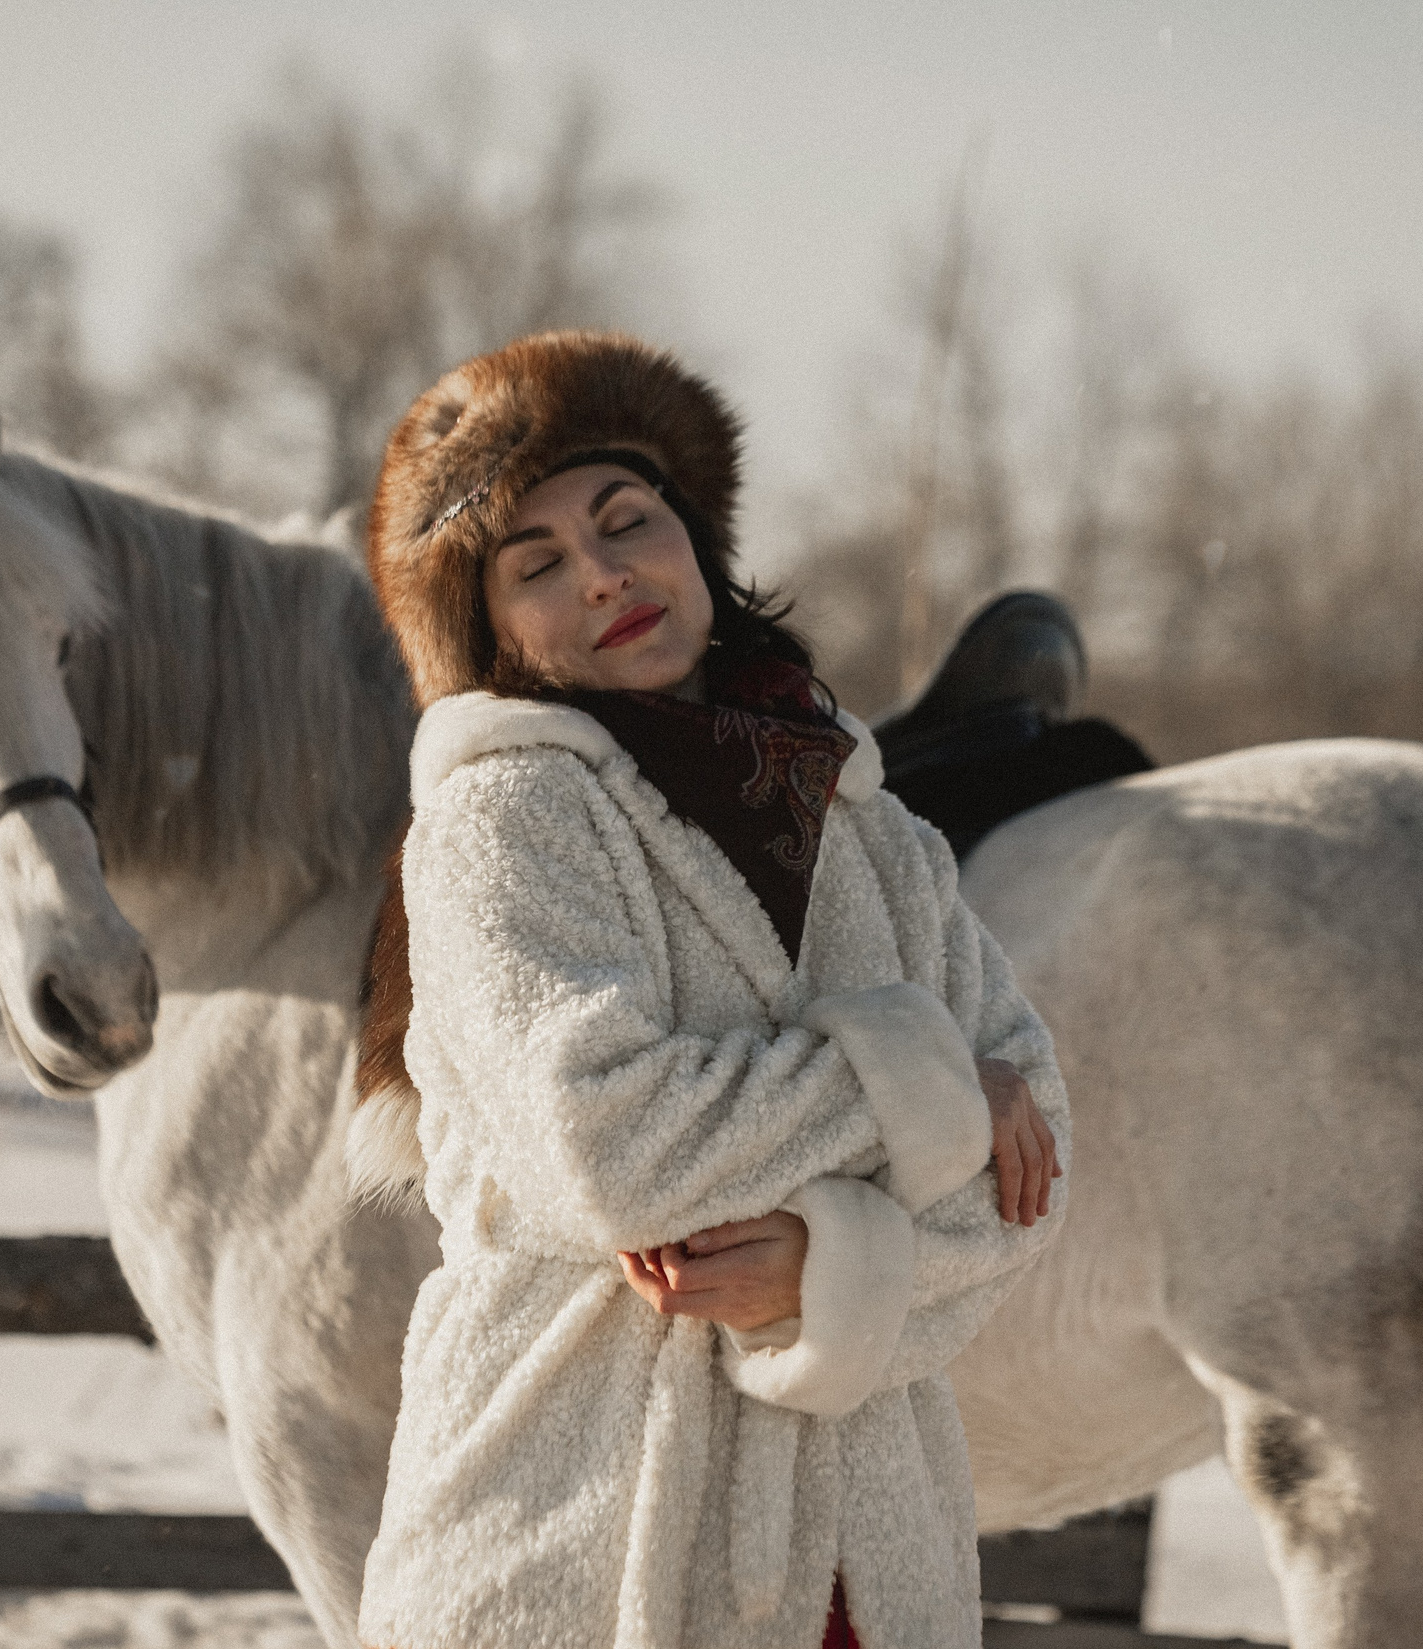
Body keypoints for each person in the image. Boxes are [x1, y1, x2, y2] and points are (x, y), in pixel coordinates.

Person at [349, 330, 1070, 1649]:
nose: (605, 572)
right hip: (584, 1533)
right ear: (490, 632)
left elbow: (1034, 1173)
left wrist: (837, 1268)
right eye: (539, 563)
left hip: (874, 1558)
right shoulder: (502, 820)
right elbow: (613, 1141)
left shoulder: (869, 828)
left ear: (698, 542)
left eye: (630, 522)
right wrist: (932, 1082)